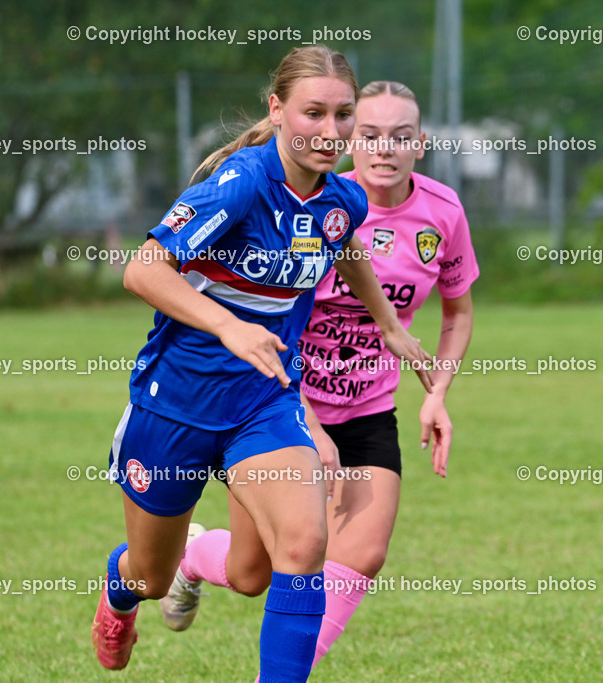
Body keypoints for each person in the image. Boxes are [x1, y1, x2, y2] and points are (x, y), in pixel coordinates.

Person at [89, 48, 433, 683]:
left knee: (297, 551)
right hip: (177, 405)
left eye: (342, 115)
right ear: (277, 110)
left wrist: (389, 324)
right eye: (313, 114)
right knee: (151, 573)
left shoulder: (341, 199)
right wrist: (229, 325)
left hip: (264, 402)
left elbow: (345, 243)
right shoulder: (243, 183)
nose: (331, 133)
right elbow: (143, 268)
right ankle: (121, 588)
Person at [165, 80, 478, 672]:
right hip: (275, 403)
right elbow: (270, 321)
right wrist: (306, 422)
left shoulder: (443, 212)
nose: (384, 148)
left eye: (401, 136)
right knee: (251, 573)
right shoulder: (314, 197)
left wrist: (437, 394)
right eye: (369, 134)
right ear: (349, 137)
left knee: (362, 554)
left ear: (422, 143)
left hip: (367, 409)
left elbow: (458, 311)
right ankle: (191, 558)